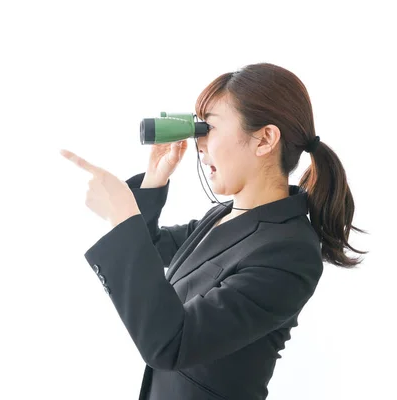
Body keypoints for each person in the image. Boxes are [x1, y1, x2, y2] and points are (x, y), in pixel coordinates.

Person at [60, 62, 367, 400]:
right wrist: (153, 182)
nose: (199, 143)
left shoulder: (291, 252)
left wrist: (124, 218)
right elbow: (153, 247)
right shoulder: (224, 215)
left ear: (265, 139)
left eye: (210, 127)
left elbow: (172, 345)